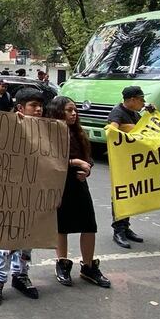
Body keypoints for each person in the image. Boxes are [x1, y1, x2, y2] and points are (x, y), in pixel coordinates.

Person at [0, 87, 46, 305]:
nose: (39, 110)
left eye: (40, 106)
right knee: (6, 237)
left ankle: (20, 275)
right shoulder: (8, 127)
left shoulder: (48, 130)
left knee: (28, 237)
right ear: (20, 108)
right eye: (33, 106)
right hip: (10, 192)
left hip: (35, 192)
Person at [47, 96, 110, 288]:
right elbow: (48, 160)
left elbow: (88, 158)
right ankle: (62, 263)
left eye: (74, 110)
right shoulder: (49, 132)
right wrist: (74, 163)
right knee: (62, 226)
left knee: (89, 225)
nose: (73, 113)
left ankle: (88, 266)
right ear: (58, 112)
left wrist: (87, 169)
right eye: (68, 110)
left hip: (79, 184)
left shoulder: (78, 132)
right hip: (59, 184)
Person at [108, 86, 148, 248]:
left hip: (132, 161)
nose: (143, 102)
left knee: (130, 193)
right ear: (132, 100)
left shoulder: (135, 113)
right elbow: (112, 131)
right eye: (141, 99)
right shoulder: (118, 113)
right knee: (121, 194)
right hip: (122, 162)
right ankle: (118, 229)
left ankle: (126, 227)